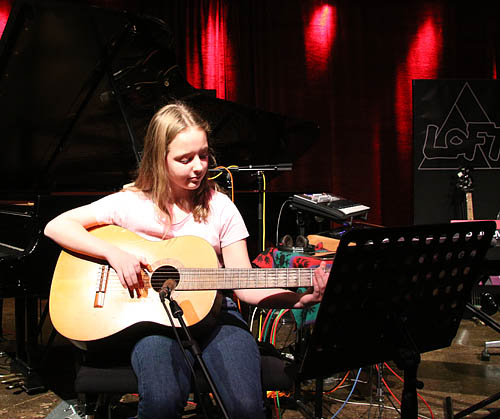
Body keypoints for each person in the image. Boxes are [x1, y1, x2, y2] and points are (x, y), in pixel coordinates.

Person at [44, 102, 329, 419]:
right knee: (162, 403)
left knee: (246, 408)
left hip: (218, 318)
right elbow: (56, 226)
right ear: (159, 158)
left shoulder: (220, 207)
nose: (198, 167)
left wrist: (300, 300)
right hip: (153, 324)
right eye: (185, 159)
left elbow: (245, 285)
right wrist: (114, 253)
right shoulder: (130, 204)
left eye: (203, 155)